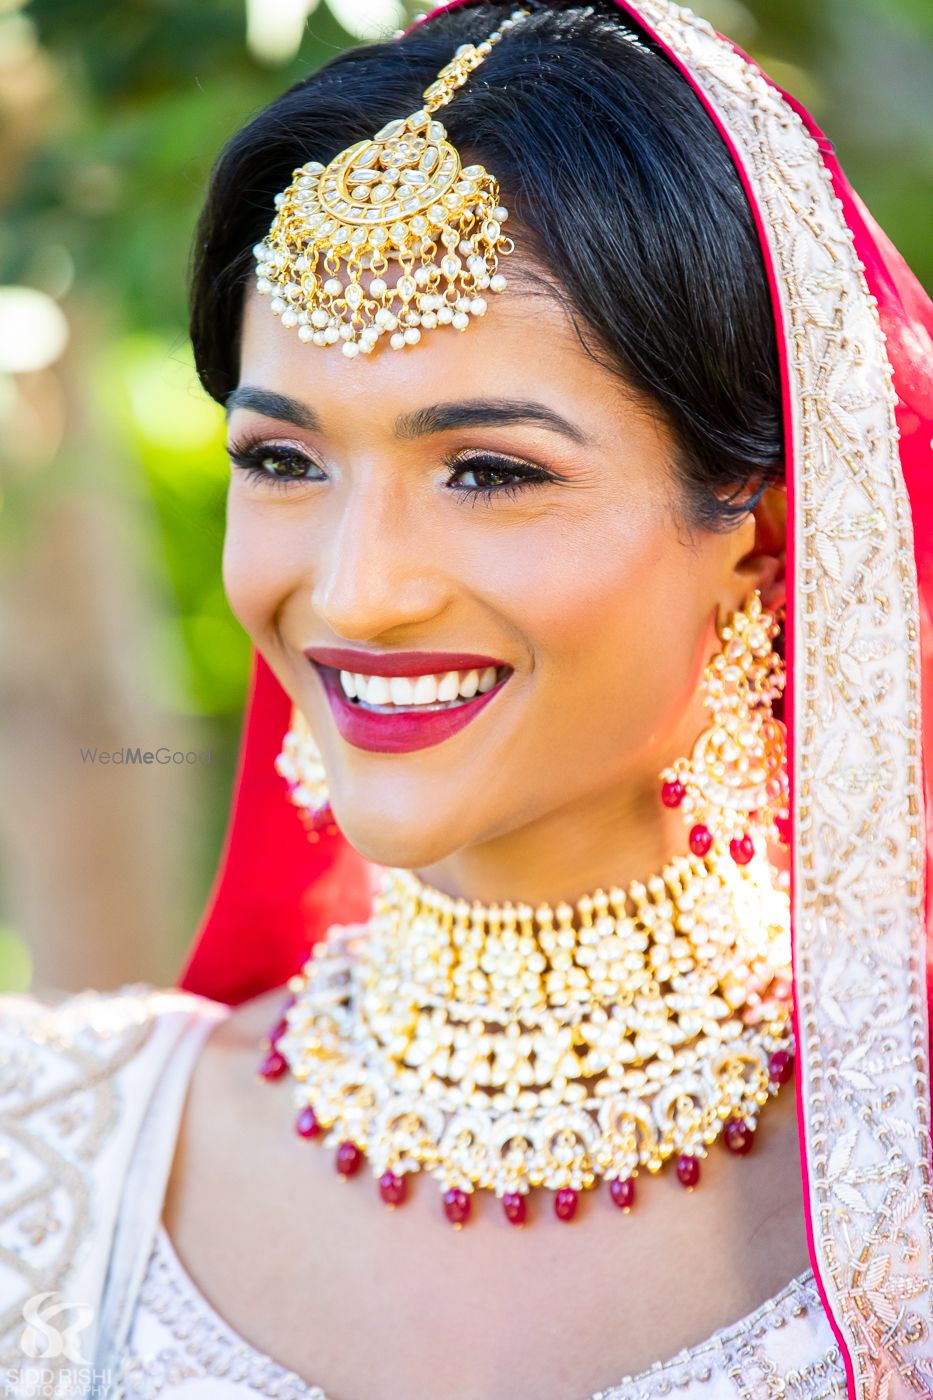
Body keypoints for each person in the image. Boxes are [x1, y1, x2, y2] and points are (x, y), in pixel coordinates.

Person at [1, 2, 931, 1397]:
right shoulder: (45, 1158)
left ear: (761, 532)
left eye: (488, 471)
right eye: (282, 459)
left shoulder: (897, 1184)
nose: (358, 592)